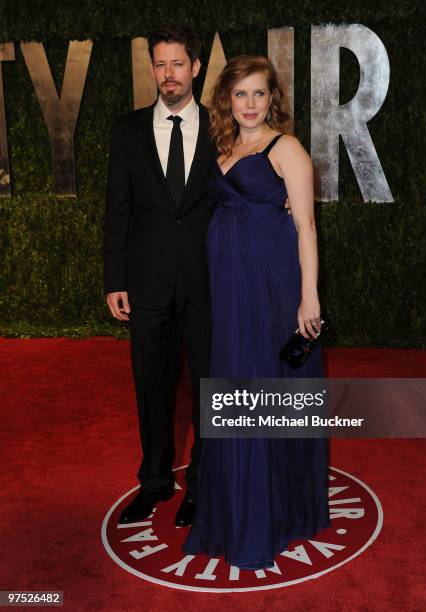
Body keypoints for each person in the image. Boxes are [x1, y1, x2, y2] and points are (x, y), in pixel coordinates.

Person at [183, 55, 331, 570]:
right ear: (227, 99)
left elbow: (307, 229)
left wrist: (308, 297)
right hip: (228, 291)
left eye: (259, 94)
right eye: (240, 94)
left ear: (273, 99)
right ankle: (235, 510)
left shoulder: (285, 147)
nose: (249, 104)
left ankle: (272, 514)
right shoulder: (222, 146)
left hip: (270, 288)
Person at [103, 27, 216, 527]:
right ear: (152, 69)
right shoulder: (127, 131)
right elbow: (117, 210)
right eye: (159, 65)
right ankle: (153, 482)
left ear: (195, 68)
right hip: (146, 283)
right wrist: (114, 278)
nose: (168, 74)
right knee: (151, 385)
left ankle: (204, 484)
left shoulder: (222, 127)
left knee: (209, 388)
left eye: (177, 64)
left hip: (207, 281)